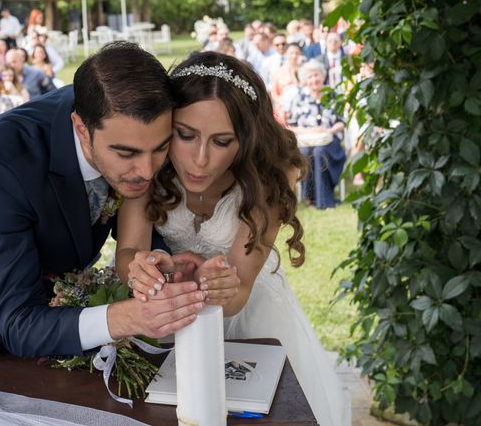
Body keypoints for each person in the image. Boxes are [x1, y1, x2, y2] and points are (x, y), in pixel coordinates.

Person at [0, 41, 206, 358]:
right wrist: (130, 316)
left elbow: (134, 237)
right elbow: (19, 323)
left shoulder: (120, 111)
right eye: (126, 154)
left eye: (160, 149)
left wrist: (160, 266)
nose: (148, 171)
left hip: (66, 325)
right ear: (81, 129)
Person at [117, 52, 350, 426]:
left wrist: (219, 284)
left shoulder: (270, 179)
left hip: (255, 316)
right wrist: (140, 270)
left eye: (222, 141)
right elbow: (128, 251)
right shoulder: (151, 165)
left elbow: (239, 292)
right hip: (171, 317)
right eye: (185, 135)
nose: (200, 160)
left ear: (246, 138)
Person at [286, 60, 346, 209]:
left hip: (330, 141)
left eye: (316, 75)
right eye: (310, 76)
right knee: (306, 152)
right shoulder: (299, 98)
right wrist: (308, 131)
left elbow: (341, 123)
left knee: (320, 152)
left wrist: (328, 131)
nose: (314, 79)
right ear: (306, 80)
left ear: (323, 75)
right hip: (306, 141)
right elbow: (291, 127)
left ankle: (324, 200)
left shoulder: (332, 95)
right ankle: (311, 197)